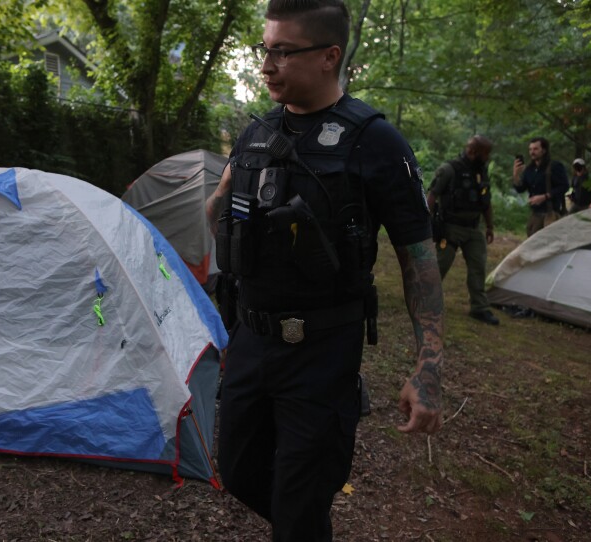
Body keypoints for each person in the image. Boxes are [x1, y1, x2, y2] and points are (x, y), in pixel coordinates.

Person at [205, 1, 444, 540]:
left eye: (282, 51)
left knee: (301, 501)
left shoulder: (376, 142)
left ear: (329, 56)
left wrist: (428, 370)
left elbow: (419, 261)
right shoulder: (256, 132)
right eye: (264, 49)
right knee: (240, 473)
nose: (266, 64)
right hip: (250, 341)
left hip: (320, 353)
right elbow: (217, 207)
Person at [426, 135, 499, 326]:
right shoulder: (449, 169)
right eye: (486, 153)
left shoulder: (481, 172)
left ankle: (479, 308)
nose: (488, 157)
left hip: (474, 229)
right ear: (473, 151)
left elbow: (486, 201)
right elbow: (432, 195)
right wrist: (427, 223)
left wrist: (490, 226)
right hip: (450, 228)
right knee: (440, 266)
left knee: (478, 268)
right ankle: (425, 301)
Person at [512, 137, 569, 237]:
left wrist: (544, 196)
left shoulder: (555, 166)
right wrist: (516, 175)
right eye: (530, 149)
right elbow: (521, 189)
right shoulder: (529, 170)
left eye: (535, 149)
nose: (532, 152)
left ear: (544, 150)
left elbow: (564, 186)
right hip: (535, 213)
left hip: (550, 214)